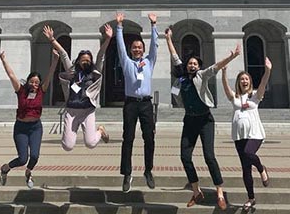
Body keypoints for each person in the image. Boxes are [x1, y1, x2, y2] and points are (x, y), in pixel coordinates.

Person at [165, 27, 239, 211]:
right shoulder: (181, 78)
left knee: (209, 156)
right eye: (190, 63)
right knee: (184, 156)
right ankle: (196, 191)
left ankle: (220, 193)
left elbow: (215, 67)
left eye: (195, 64)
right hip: (189, 120)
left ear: (198, 66)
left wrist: (232, 57)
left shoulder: (202, 75)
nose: (192, 65)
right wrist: (168, 39)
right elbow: (174, 55)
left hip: (205, 120)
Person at [43, 23, 112, 151]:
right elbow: (63, 54)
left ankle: (100, 131)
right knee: (67, 146)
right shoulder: (72, 71)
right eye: (83, 59)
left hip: (88, 111)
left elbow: (101, 55)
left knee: (90, 143)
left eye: (88, 60)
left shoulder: (95, 72)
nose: (85, 61)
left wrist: (107, 39)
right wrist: (52, 40)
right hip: (72, 110)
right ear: (78, 61)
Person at [0, 48, 59, 189]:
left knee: (35, 156)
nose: (34, 85)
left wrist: (55, 60)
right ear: (28, 82)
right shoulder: (21, 91)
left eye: (37, 83)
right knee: (22, 158)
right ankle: (5, 168)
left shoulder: (41, 91)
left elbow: (50, 75)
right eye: (32, 82)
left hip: (35, 127)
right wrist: (4, 60)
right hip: (21, 128)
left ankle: (29, 172)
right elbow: (12, 75)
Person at [222, 48, 272, 211]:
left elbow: (263, 83)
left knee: (249, 154)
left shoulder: (255, 96)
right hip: (239, 135)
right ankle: (251, 198)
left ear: (250, 82)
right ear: (239, 82)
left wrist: (267, 71)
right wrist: (224, 73)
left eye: (246, 79)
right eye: (241, 79)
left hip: (255, 133)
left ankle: (261, 168)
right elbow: (226, 89)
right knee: (245, 168)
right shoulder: (235, 97)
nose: (244, 81)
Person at [116, 12, 158, 192]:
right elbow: (120, 48)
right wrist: (119, 27)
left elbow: (155, 46)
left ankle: (148, 171)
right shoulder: (127, 63)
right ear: (131, 49)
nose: (137, 49)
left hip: (146, 104)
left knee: (149, 138)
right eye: (134, 47)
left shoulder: (149, 62)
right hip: (131, 104)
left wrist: (153, 25)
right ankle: (127, 173)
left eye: (140, 47)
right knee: (128, 138)